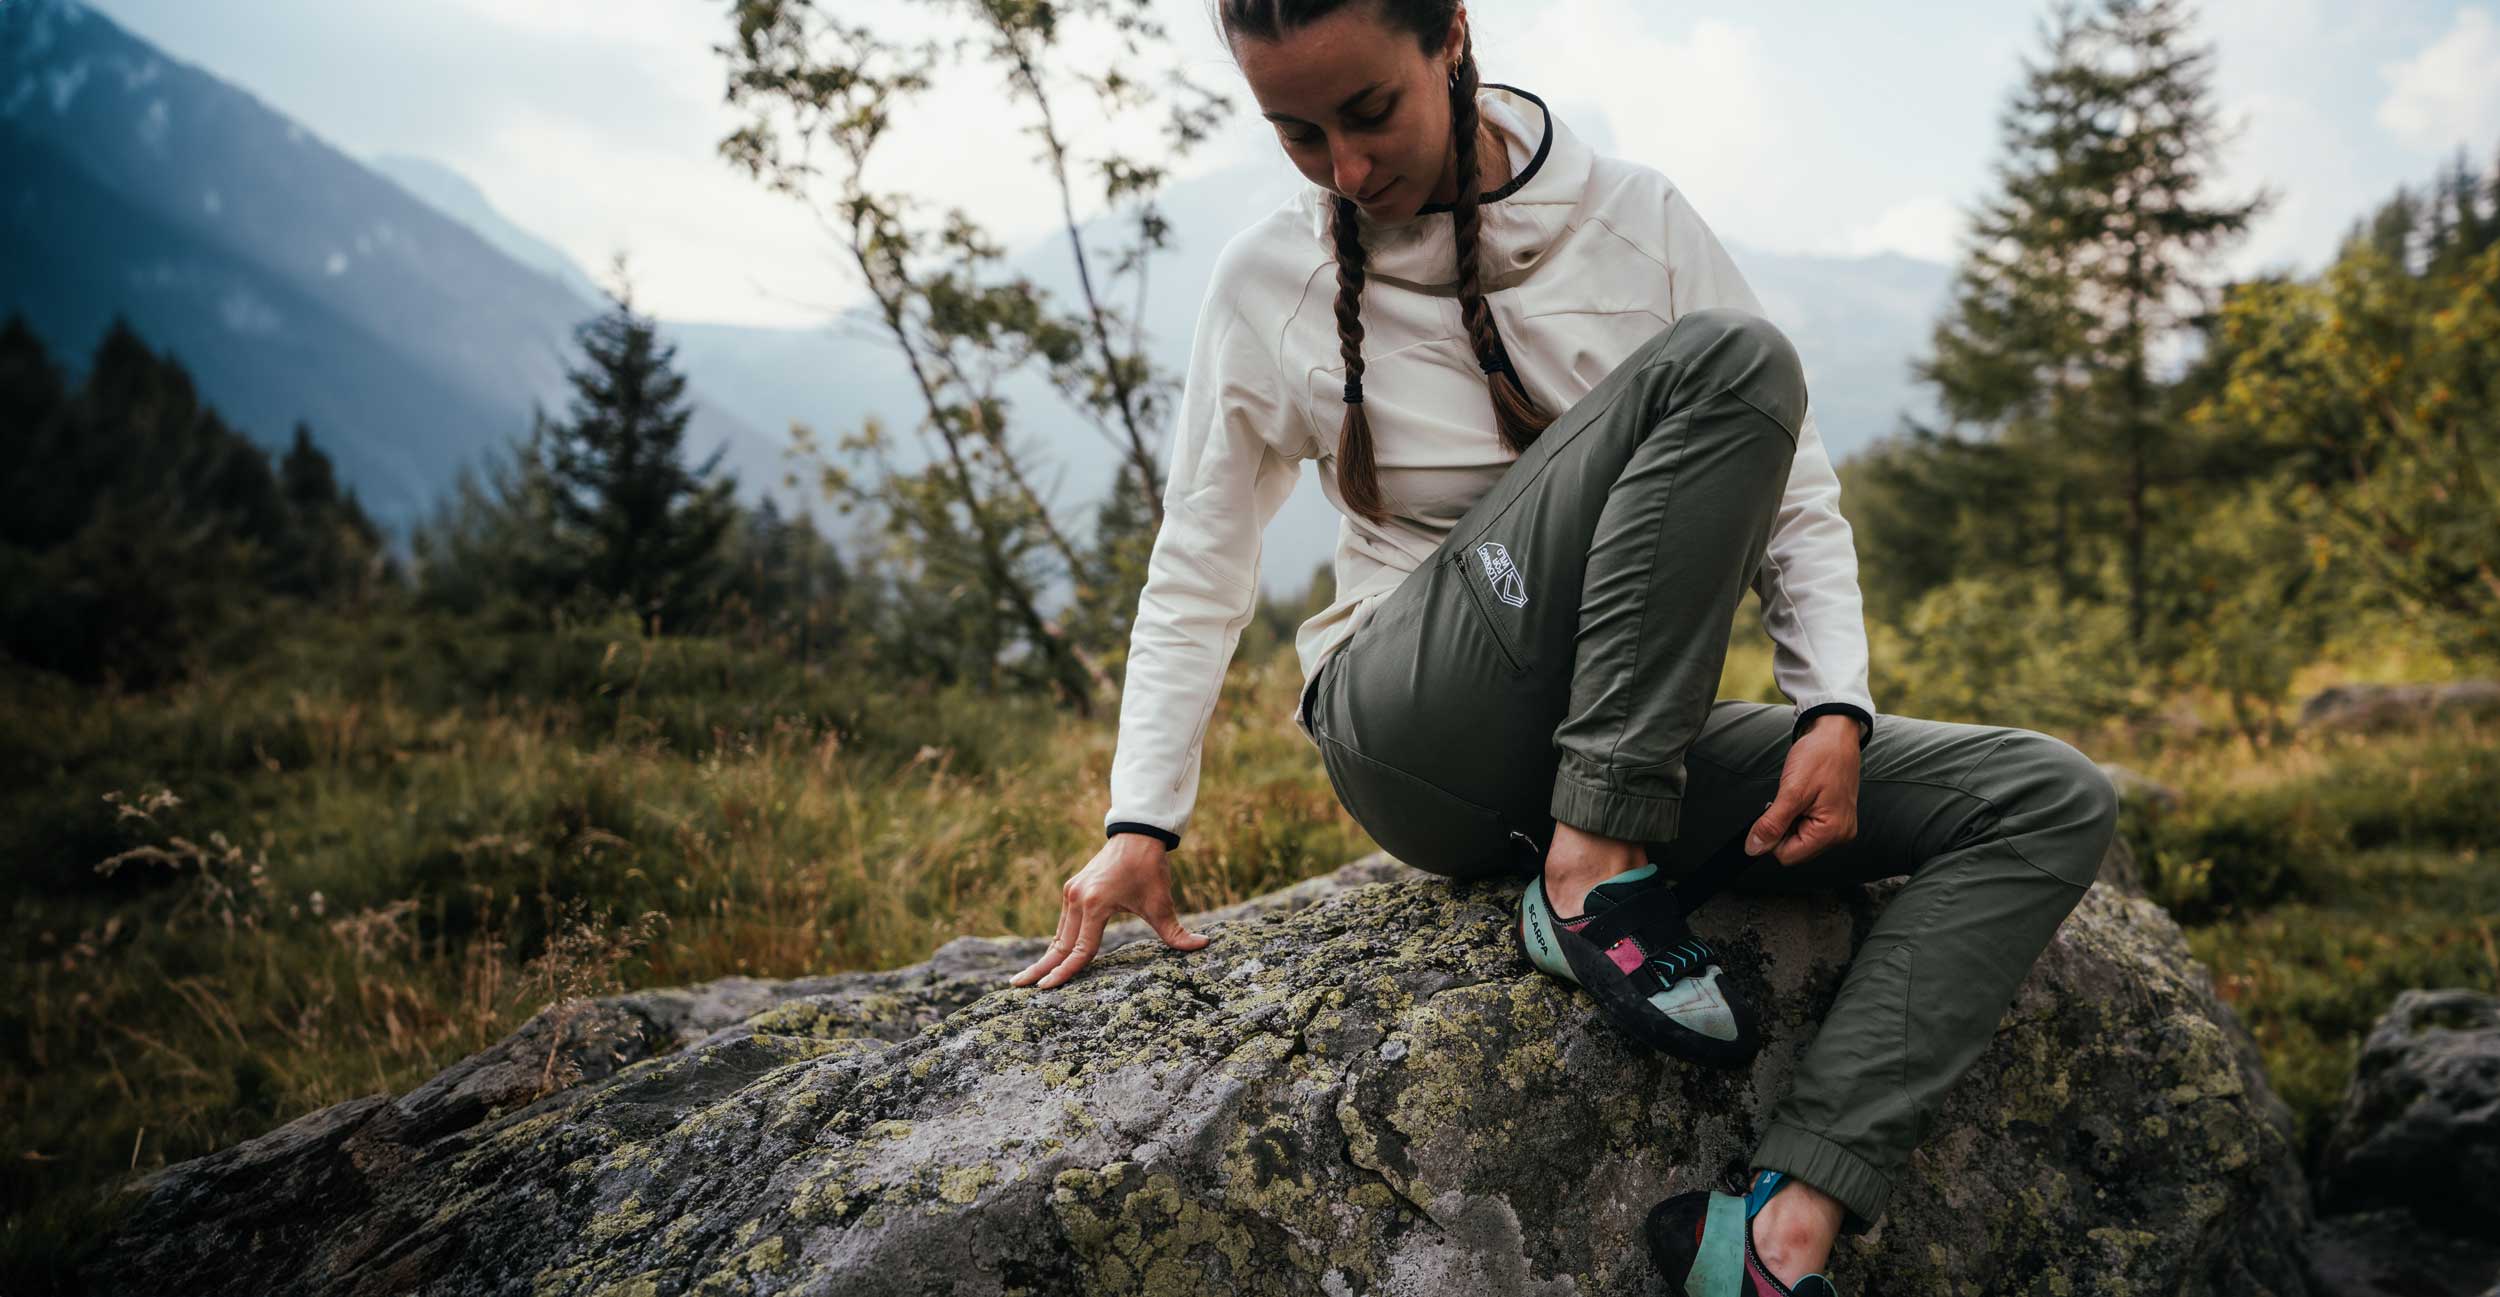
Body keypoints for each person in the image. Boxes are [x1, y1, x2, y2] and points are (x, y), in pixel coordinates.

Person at [1007, 3, 2121, 1293]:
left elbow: (1794, 486)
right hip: (1413, 728)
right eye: (1298, 134)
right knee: (1727, 363)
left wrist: (1835, 712)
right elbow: (1203, 552)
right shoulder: (1272, 278)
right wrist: (1142, 816)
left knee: (2045, 799)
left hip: (1614, 741)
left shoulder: (1632, 219)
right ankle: (1591, 871)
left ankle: (1777, 1233)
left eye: (1369, 112)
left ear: (1451, 39)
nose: (1348, 170)